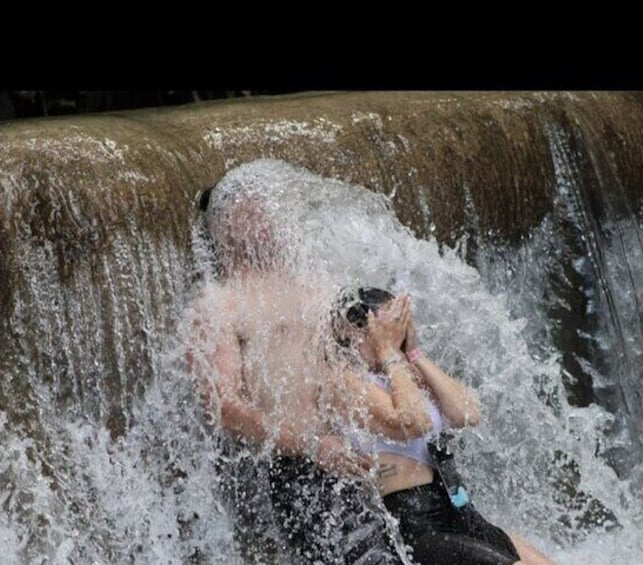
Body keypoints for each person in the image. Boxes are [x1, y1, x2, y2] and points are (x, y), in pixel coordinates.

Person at [185, 184, 405, 563]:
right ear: (223, 228)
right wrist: (314, 446)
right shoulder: (219, 304)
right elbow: (224, 407)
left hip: (368, 452)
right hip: (298, 465)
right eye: (247, 208)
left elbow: (373, 345)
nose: (266, 212)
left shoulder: (315, 280)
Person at [324, 287, 557, 565]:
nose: (397, 331)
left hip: (457, 506)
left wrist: (414, 354)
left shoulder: (403, 373)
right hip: (416, 523)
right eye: (391, 324)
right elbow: (413, 422)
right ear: (356, 331)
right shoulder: (345, 380)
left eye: (401, 324)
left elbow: (467, 414)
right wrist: (389, 353)